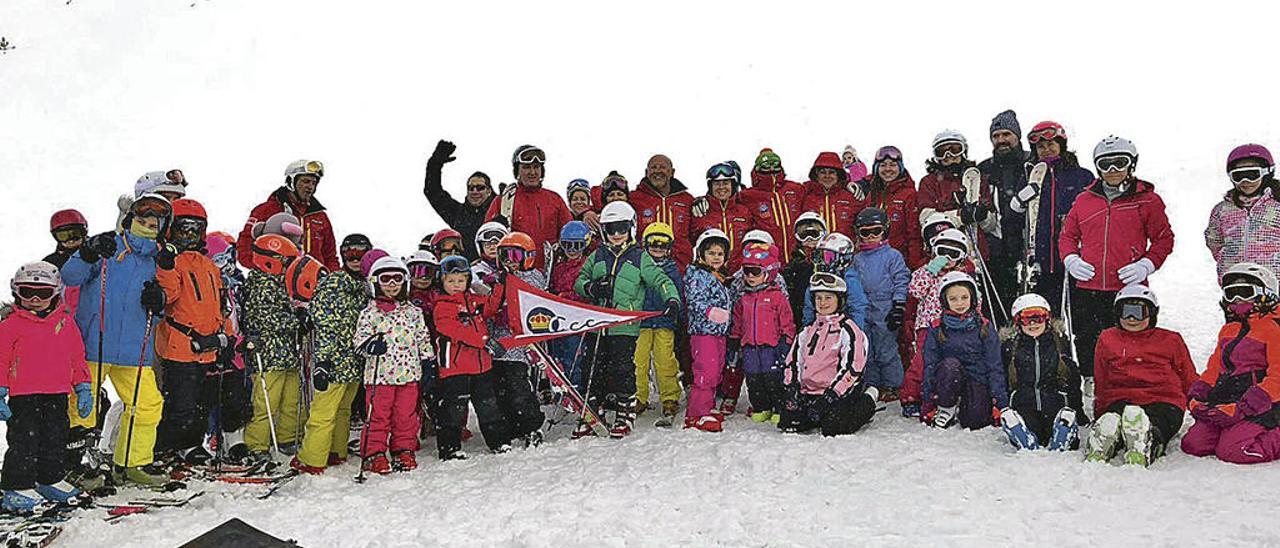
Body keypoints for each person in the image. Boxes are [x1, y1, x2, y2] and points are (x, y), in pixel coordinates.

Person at [60, 193, 172, 486]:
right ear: (130, 219)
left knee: (148, 404)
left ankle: (133, 463)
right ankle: (76, 466)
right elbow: (70, 277)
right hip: (93, 346)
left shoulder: (159, 260)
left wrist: (159, 302)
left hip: (136, 349)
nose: (147, 225)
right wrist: (86, 252)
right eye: (142, 219)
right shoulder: (108, 247)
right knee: (83, 407)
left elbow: (159, 310)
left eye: (153, 222)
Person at [1059, 136, 1175, 401]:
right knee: (1086, 334)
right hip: (1087, 283)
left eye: (1119, 163)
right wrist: (1071, 259)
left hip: (1126, 286)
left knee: (1128, 334)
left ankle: (1126, 379)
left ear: (1131, 164)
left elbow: (1163, 238)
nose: (1112, 171)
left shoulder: (1147, 200)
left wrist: (1146, 265)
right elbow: (1067, 236)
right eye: (1105, 164)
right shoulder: (1084, 200)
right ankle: (1090, 376)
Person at [575, 201, 680, 438]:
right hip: (598, 324)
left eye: (621, 228)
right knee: (594, 367)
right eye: (611, 229)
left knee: (622, 368)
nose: (616, 235)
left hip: (625, 324)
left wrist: (671, 300)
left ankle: (625, 411)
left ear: (631, 228)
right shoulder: (597, 255)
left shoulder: (639, 256)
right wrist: (592, 288)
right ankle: (594, 410)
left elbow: (660, 280)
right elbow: (579, 281)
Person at [0, 262, 93, 511]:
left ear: (55, 293)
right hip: (24, 396)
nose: (34, 299)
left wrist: (83, 386)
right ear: (15, 292)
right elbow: (1, 359)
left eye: (42, 293)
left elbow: (76, 357)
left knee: (54, 438)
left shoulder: (65, 323)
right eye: (26, 292)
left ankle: (49, 479)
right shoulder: (10, 326)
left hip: (57, 393)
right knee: (24, 441)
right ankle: (16, 485)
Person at [153, 199, 233, 466]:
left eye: (195, 231)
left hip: (208, 345)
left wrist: (227, 337)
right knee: (180, 403)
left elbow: (221, 304)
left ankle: (191, 445)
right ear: (170, 231)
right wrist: (165, 267)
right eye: (182, 230)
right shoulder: (170, 262)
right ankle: (168, 447)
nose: (188, 237)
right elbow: (169, 295)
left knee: (202, 402)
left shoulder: (208, 265)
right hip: (180, 345)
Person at [1182, 263, 1280, 464]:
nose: (1237, 300)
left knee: (1234, 451)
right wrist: (1198, 393)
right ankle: (1233, 428)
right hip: (1228, 399)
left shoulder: (1273, 327)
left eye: (1244, 292)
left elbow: (1277, 377)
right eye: (1231, 294)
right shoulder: (1230, 329)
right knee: (1194, 445)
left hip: (1265, 405)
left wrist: (1244, 407)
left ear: (1265, 293)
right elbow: (1215, 368)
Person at [1086, 285, 1194, 467]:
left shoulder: (1170, 340)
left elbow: (1187, 374)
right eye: (1125, 312)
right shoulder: (1108, 338)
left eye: (1138, 312)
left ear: (1152, 313)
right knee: (1117, 418)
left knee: (1157, 423)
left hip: (1163, 401)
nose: (1131, 319)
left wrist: (1198, 405)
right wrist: (1101, 412)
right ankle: (1105, 439)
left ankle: (1148, 443)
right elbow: (1101, 377)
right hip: (1122, 398)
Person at [291, 236, 370, 475]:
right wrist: (323, 360)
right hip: (338, 358)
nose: (355, 259)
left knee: (330, 410)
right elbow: (325, 323)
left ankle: (316, 457)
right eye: (349, 254)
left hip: (349, 360)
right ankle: (328, 452)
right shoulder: (337, 282)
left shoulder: (365, 284)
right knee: (331, 408)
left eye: (360, 254)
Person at [352, 256, 433, 474]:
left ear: (405, 282)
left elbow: (422, 337)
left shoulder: (413, 312)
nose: (391, 284)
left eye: (397, 279)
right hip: (380, 377)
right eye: (385, 279)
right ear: (375, 282)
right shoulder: (370, 313)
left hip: (408, 374)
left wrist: (428, 359)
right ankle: (374, 453)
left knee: (405, 416)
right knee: (378, 415)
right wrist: (370, 346)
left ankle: (403, 449)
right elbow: (359, 341)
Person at [431, 256, 513, 460]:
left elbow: (492, 307)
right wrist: (484, 341)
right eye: (451, 281)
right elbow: (454, 330)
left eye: (460, 280)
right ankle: (449, 448)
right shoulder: (442, 306)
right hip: (455, 368)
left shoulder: (473, 300)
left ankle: (499, 441)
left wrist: (501, 285)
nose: (456, 285)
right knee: (454, 409)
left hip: (481, 366)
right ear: (442, 281)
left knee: (488, 406)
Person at [778, 272, 877, 436]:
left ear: (840, 300)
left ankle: (867, 400)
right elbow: (793, 361)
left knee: (833, 427)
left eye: (828, 298)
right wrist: (792, 387)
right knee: (789, 422)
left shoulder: (848, 329)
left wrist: (831, 396)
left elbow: (853, 368)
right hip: (808, 392)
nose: (823, 303)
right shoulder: (808, 330)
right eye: (818, 298)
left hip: (837, 392)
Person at [1009, 121, 1093, 306]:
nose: (1046, 149)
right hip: (1041, 255)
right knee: (1044, 305)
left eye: (1051, 145)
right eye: (1040, 146)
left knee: (1076, 305)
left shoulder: (1081, 176)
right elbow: (1015, 214)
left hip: (1073, 255)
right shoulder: (1029, 175)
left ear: (1061, 145)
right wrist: (1020, 200)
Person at [901, 228, 979, 417]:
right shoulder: (927, 272)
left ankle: (946, 394)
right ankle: (911, 397)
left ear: (961, 257)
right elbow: (915, 291)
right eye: (942, 252)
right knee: (922, 362)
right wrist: (930, 271)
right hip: (928, 327)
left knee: (951, 362)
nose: (947, 258)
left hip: (955, 327)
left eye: (953, 254)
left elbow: (975, 300)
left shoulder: (964, 277)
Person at [241, 234, 303, 461]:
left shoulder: (280, 282)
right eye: (285, 261)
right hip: (267, 353)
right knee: (266, 402)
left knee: (291, 399)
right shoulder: (262, 284)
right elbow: (269, 319)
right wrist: (298, 321)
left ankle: (288, 436)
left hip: (286, 352)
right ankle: (257, 444)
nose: (288, 267)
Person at [997, 294, 1083, 451]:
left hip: (1053, 402)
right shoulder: (1010, 348)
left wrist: (1077, 408)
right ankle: (1023, 436)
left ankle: (1062, 436)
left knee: (1061, 421)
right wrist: (1003, 405)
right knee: (1025, 423)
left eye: (1038, 317)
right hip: (1024, 403)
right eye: (1026, 319)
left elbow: (1073, 378)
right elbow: (1001, 377)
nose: (1033, 324)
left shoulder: (1058, 343)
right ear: (1017, 322)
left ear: (1047, 319)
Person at [921, 272, 1006, 430]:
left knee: (975, 422)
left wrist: (999, 403)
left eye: (964, 297)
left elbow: (994, 366)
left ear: (972, 298)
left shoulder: (984, 326)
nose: (959, 303)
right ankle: (946, 406)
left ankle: (965, 404)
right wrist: (928, 401)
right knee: (950, 366)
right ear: (945, 301)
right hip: (948, 378)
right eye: (953, 299)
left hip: (976, 378)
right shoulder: (937, 327)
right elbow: (930, 365)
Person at [487, 232, 548, 446]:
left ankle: (530, 424)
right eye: (504, 256)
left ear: (527, 257)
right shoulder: (497, 277)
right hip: (498, 343)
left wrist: (508, 283)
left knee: (518, 387)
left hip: (519, 344)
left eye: (515, 255)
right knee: (499, 388)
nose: (509, 261)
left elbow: (533, 298)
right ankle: (511, 424)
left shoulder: (532, 276)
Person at [730, 243, 795, 424]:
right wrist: (735, 340)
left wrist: (786, 340)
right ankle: (761, 406)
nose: (750, 276)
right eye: (747, 271)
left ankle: (778, 406)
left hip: (771, 347)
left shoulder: (776, 297)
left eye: (755, 272)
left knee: (773, 378)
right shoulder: (744, 298)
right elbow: (738, 321)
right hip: (750, 346)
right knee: (753, 378)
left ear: (769, 272)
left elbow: (787, 321)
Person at [849, 207, 909, 400]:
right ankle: (872, 383)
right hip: (863, 307)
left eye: (876, 231)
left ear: (885, 230)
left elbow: (901, 279)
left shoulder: (892, 256)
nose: (871, 236)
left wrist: (898, 305)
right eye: (865, 232)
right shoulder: (856, 259)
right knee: (867, 347)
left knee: (886, 347)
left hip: (885, 307)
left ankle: (892, 384)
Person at [201, 233, 251, 464]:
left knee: (235, 398)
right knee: (208, 397)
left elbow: (239, 316)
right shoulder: (206, 286)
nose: (226, 265)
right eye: (219, 260)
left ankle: (234, 440)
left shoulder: (234, 286)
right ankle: (204, 439)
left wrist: (242, 339)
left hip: (235, 353)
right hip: (210, 351)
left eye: (228, 259)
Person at [237, 159, 339, 271]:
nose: (310, 187)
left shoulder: (320, 217)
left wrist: (332, 277)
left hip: (313, 280)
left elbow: (330, 256)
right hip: (275, 281)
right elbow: (244, 248)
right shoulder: (265, 210)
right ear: (291, 182)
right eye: (305, 181)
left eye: (314, 183)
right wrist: (266, 267)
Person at [917, 130, 1000, 263]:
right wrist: (960, 216)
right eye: (941, 152)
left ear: (963, 151)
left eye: (954, 149)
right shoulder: (929, 182)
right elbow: (926, 217)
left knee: (972, 282)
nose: (948, 156)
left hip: (976, 253)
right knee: (940, 279)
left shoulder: (976, 179)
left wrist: (983, 215)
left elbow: (991, 226)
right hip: (943, 253)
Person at [484, 145, 573, 269]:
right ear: (517, 171)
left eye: (536, 167)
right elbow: (487, 238)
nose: (532, 172)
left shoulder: (554, 199)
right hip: (517, 270)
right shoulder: (505, 200)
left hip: (550, 271)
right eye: (526, 167)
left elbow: (570, 232)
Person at [978, 110, 1030, 307]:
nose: (1001, 140)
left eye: (1006, 134)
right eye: (996, 136)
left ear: (1017, 136)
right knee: (998, 305)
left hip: (1026, 245)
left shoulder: (1031, 164)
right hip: (995, 249)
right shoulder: (984, 169)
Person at [683, 229, 734, 432]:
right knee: (705, 371)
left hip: (718, 332)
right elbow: (695, 300)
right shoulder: (697, 275)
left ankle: (708, 406)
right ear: (701, 254)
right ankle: (696, 414)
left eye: (720, 254)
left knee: (716, 371)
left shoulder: (718, 276)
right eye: (711, 253)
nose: (716, 257)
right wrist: (711, 312)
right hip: (704, 332)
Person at [634, 223, 684, 424]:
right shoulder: (638, 266)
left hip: (664, 321)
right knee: (639, 360)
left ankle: (670, 396)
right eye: (653, 242)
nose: (657, 247)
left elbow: (678, 293)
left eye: (662, 244)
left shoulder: (672, 269)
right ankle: (638, 396)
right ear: (645, 244)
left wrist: (678, 315)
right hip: (642, 322)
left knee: (665, 360)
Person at [1205, 144, 1280, 280]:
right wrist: (1226, 261)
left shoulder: (1276, 207)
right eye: (1238, 176)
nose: (1245, 182)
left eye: (1252, 175)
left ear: (1267, 172)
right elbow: (1214, 241)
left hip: (1274, 282)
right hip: (1236, 284)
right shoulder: (1223, 210)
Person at [424, 140, 497, 260]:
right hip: (464, 273)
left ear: (489, 191)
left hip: (494, 271)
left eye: (480, 188)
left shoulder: (500, 211)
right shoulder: (458, 213)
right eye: (470, 188)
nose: (475, 191)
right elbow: (432, 191)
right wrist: (435, 163)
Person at [852, 146, 923, 268]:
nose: (888, 169)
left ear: (900, 167)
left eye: (893, 165)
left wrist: (913, 264)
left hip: (898, 261)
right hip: (870, 258)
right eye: (883, 165)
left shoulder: (909, 195)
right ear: (877, 168)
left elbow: (914, 233)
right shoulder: (872, 192)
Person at [737, 148, 807, 263]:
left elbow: (817, 190)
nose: (771, 169)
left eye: (775, 165)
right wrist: (702, 201)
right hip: (766, 260)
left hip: (797, 259)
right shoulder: (748, 196)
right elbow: (724, 202)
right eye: (766, 166)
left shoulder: (795, 189)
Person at [549, 221, 593, 393]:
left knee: (574, 355)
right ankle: (560, 388)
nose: (572, 250)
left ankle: (577, 388)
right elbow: (552, 285)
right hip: (558, 319)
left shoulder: (587, 264)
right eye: (567, 245)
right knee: (557, 354)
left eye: (577, 245)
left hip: (577, 319)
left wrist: (564, 297)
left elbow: (585, 292)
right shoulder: (558, 267)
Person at [630, 154, 695, 267]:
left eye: (662, 167)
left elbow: (697, 230)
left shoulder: (687, 200)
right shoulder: (634, 198)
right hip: (644, 265)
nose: (658, 171)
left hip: (680, 266)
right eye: (654, 167)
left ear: (672, 172)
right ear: (647, 172)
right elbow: (606, 200)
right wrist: (588, 211)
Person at [690, 162, 751, 271]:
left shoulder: (744, 211)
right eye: (717, 183)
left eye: (726, 183)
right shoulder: (701, 211)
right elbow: (688, 242)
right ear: (710, 186)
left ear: (732, 185)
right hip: (709, 276)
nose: (721, 187)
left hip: (740, 275)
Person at [801, 233, 868, 332]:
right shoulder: (818, 277)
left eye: (828, 258)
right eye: (819, 256)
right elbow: (809, 303)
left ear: (843, 258)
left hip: (842, 328)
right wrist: (807, 325)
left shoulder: (849, 278)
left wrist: (856, 331)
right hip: (820, 327)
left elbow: (857, 306)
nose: (822, 262)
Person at [781, 213, 827, 330]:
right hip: (801, 314)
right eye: (804, 235)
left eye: (814, 235)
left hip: (826, 312)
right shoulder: (794, 265)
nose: (809, 239)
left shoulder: (831, 261)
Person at [801, 152, 859, 238]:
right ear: (816, 175)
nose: (827, 176)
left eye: (831, 172)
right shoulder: (806, 195)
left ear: (838, 175)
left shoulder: (851, 196)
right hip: (815, 248)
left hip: (844, 249)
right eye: (822, 172)